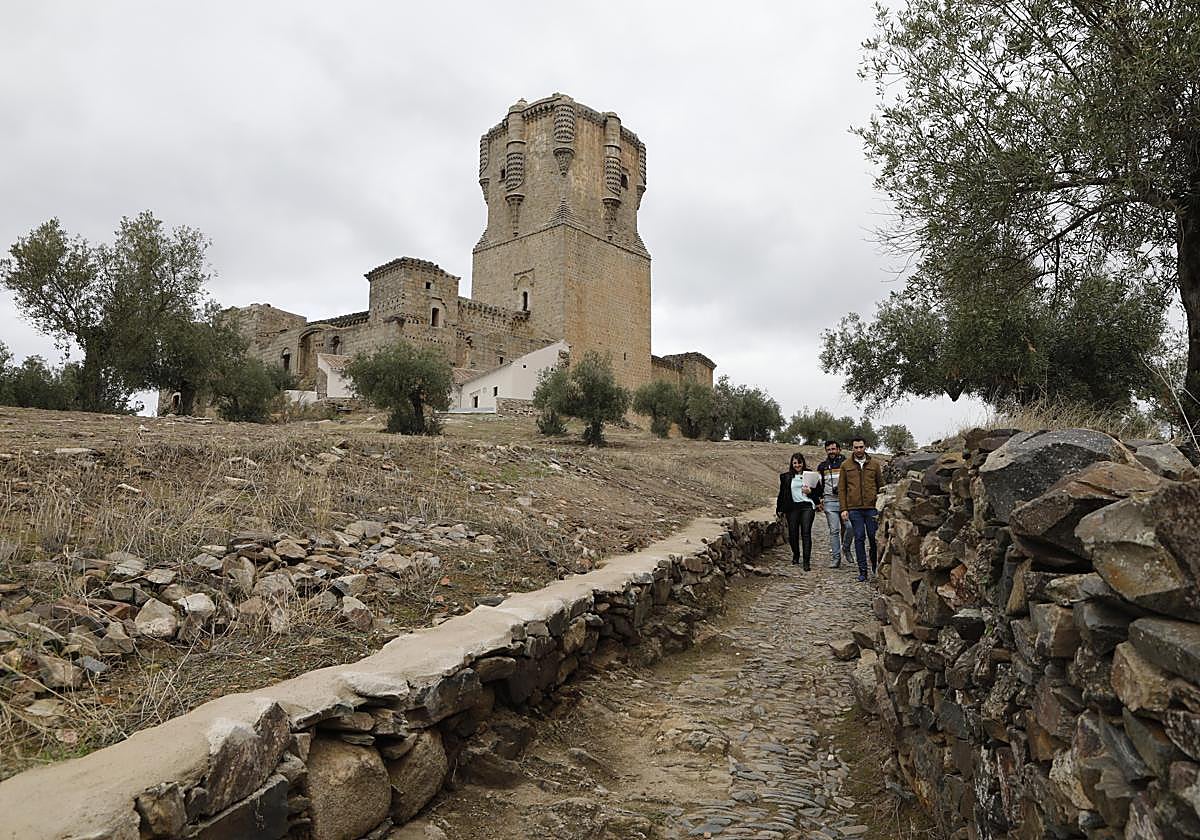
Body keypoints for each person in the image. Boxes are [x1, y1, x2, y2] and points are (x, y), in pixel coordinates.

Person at [838, 437, 884, 582]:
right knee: (859, 537)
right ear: (852, 448)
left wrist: (880, 506)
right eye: (856, 447)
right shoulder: (846, 465)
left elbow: (880, 485)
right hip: (854, 508)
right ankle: (862, 570)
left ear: (865, 447)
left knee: (873, 537)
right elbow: (842, 488)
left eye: (861, 447)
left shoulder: (875, 465)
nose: (858, 450)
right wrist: (844, 509)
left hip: (871, 508)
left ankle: (875, 567)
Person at [776, 452, 821, 570]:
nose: (797, 465)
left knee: (806, 533)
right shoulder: (786, 477)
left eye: (799, 462)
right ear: (792, 464)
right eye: (795, 463)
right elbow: (782, 494)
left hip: (807, 506)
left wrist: (810, 492)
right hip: (792, 507)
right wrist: (779, 509)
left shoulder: (810, 475)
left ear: (803, 463)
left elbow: (819, 492)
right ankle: (796, 555)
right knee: (793, 534)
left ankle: (806, 561)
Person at [816, 440, 853, 568]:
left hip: (845, 501)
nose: (831, 452)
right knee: (834, 530)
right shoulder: (822, 466)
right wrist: (819, 499)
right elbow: (819, 485)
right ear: (826, 451)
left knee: (849, 527)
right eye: (829, 449)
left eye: (833, 449)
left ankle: (846, 548)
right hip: (829, 501)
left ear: (839, 449)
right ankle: (836, 558)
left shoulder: (847, 463)